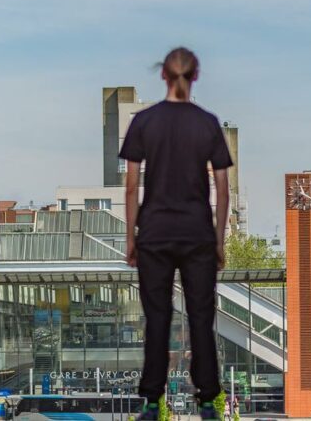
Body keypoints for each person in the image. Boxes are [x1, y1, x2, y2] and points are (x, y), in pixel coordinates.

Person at [121, 47, 233, 421]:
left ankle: (152, 402)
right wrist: (218, 241)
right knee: (201, 317)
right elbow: (222, 186)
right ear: (195, 76)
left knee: (157, 317)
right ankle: (206, 402)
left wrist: (131, 238)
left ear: (163, 76)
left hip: (154, 232)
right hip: (198, 233)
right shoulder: (207, 123)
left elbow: (132, 185)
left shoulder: (144, 122)